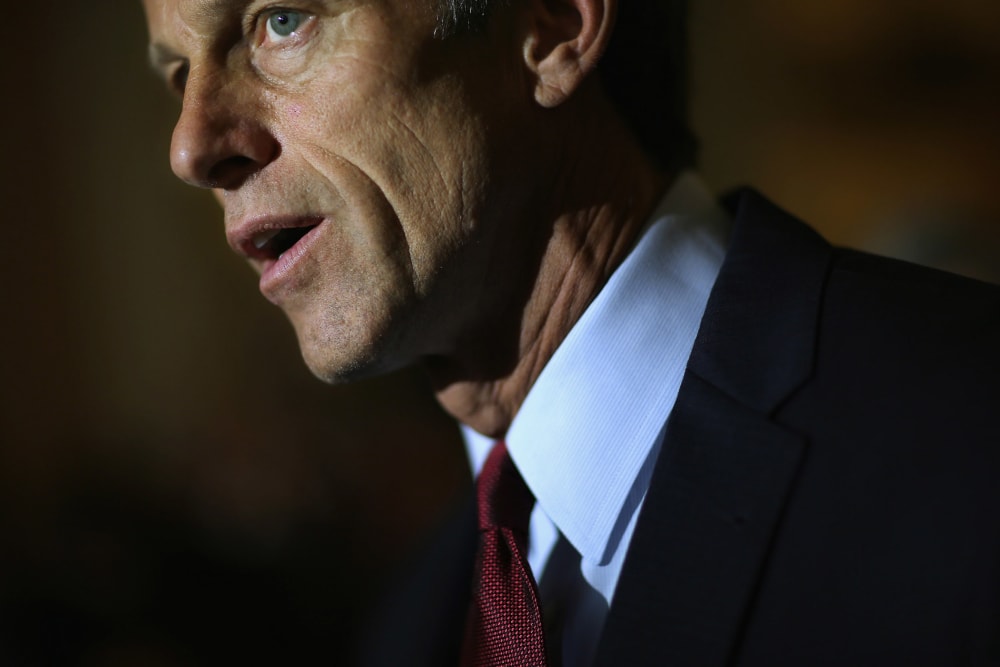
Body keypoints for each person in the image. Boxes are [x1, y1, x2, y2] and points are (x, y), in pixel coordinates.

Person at [142, 0, 1000, 665]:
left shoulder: (966, 437)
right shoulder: (414, 625)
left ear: (554, 23)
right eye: (178, 74)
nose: (190, 146)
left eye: (280, 22)